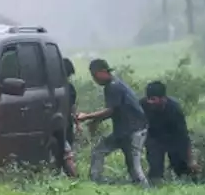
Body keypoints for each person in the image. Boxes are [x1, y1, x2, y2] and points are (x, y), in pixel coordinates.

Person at [75, 58, 150, 187]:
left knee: (135, 167)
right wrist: (95, 120)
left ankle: (146, 192)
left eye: (94, 75)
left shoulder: (113, 86)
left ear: (103, 72)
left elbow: (110, 111)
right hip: (123, 131)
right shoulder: (113, 85)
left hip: (134, 131)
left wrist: (86, 116)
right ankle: (95, 183)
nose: (94, 79)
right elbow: (115, 110)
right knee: (98, 151)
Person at [141, 80, 198, 181]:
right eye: (148, 99)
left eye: (153, 99)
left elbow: (184, 137)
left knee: (181, 167)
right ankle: (155, 187)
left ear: (163, 98)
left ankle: (189, 184)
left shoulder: (174, 109)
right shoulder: (143, 104)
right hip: (154, 138)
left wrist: (191, 160)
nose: (150, 102)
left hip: (173, 139)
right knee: (155, 167)